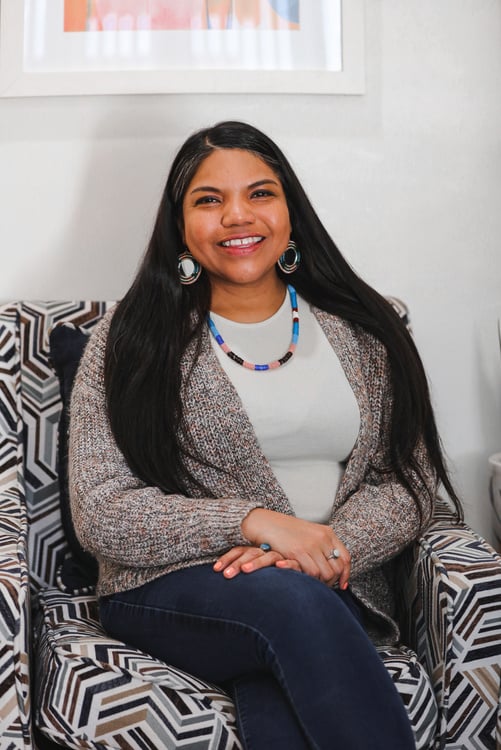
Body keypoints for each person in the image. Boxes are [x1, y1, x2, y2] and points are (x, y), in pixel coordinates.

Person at [69, 120, 461, 749]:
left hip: (330, 583)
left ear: (288, 209)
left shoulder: (365, 330)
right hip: (170, 587)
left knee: (283, 671)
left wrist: (319, 551)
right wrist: (253, 522)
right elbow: (101, 512)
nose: (236, 216)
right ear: (179, 225)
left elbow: (408, 482)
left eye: (259, 193)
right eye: (208, 200)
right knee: (293, 608)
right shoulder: (129, 340)